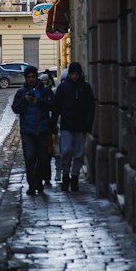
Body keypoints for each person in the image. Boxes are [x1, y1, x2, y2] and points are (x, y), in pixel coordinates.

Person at [11, 65, 54, 197]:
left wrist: (38, 101)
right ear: (25, 78)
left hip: (42, 130)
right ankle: (31, 185)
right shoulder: (21, 92)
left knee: (42, 159)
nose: (31, 79)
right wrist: (25, 100)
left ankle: (39, 181)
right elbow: (15, 109)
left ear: (37, 77)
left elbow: (53, 105)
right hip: (28, 131)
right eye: (28, 77)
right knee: (29, 158)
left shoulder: (45, 91)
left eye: (33, 77)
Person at [52, 60, 95, 191]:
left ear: (80, 74)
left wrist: (88, 124)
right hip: (67, 125)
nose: (74, 76)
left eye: (76, 74)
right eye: (72, 74)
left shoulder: (86, 88)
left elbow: (90, 107)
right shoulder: (63, 88)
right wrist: (53, 123)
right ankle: (66, 175)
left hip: (81, 127)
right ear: (69, 74)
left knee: (79, 153)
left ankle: (74, 177)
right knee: (66, 150)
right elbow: (57, 107)